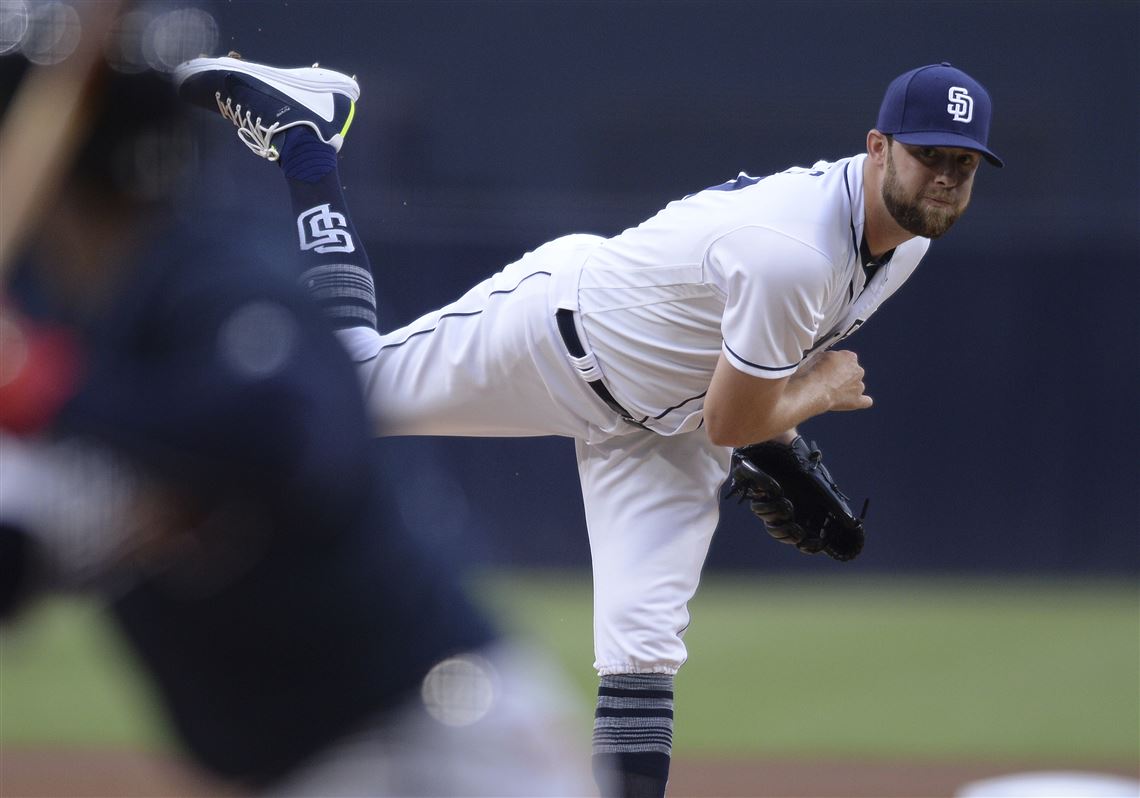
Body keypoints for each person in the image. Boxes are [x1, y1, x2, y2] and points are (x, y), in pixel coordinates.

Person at [174, 53, 1002, 797]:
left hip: (669, 423)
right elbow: (735, 417)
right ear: (877, 146)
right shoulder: (795, 248)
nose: (944, 177)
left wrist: (777, 431)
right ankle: (306, 135)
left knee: (642, 650)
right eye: (929, 153)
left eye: (963, 165)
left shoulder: (908, 245)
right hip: (565, 338)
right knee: (349, 390)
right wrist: (812, 393)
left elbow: (734, 405)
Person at [0, 5, 592, 795]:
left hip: (429, 746)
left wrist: (43, 386)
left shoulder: (208, 282)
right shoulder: (66, 333)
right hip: (295, 767)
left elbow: (290, 435)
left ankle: (307, 143)